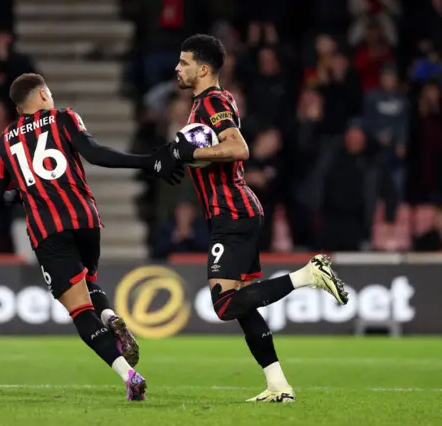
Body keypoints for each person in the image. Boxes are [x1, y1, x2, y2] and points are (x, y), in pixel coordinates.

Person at [168, 34, 350, 403]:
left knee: (224, 305)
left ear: (203, 69)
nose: (177, 68)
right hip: (236, 211)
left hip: (231, 213)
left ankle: (308, 274)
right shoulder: (211, 102)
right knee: (243, 304)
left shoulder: (213, 101)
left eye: (184, 63)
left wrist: (195, 152)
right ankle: (278, 386)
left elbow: (239, 148)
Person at [0, 73, 183, 401]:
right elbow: (95, 153)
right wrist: (148, 162)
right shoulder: (64, 118)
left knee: (79, 310)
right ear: (44, 94)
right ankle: (110, 315)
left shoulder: (4, 142)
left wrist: (20, 192)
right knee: (88, 280)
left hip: (47, 230)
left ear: (19, 108)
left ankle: (129, 376)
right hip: (85, 219)